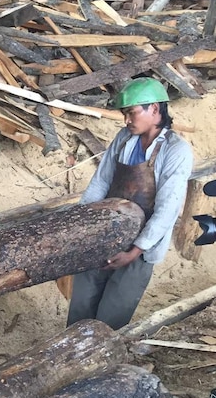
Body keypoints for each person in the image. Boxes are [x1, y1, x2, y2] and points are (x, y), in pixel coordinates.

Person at [67, 77, 193, 331]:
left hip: (140, 251)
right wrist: (80, 227)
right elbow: (100, 183)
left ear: (155, 109)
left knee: (111, 318)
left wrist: (134, 251)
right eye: (125, 114)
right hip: (103, 236)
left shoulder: (176, 151)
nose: (127, 120)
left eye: (132, 113)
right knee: (81, 308)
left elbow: (167, 209)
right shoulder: (124, 139)